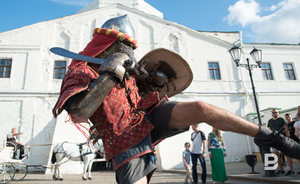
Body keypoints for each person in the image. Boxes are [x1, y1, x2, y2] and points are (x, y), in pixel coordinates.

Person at [51, 14, 300, 184]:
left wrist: (151, 80)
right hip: (123, 139)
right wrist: (109, 75)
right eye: (124, 49)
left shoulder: (127, 72)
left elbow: (144, 96)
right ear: (107, 45)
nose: (128, 56)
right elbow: (79, 112)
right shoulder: (80, 71)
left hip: (147, 116)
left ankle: (270, 136)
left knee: (201, 108)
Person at [267, 109, 287, 174]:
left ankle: (288, 168)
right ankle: (281, 169)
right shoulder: (270, 121)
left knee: (285, 153)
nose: (275, 113)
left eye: (276, 112)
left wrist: (287, 136)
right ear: (272, 113)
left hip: (282, 138)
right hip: (274, 139)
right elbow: (269, 130)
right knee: (276, 154)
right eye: (273, 112)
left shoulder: (281, 120)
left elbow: (285, 128)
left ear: (278, 113)